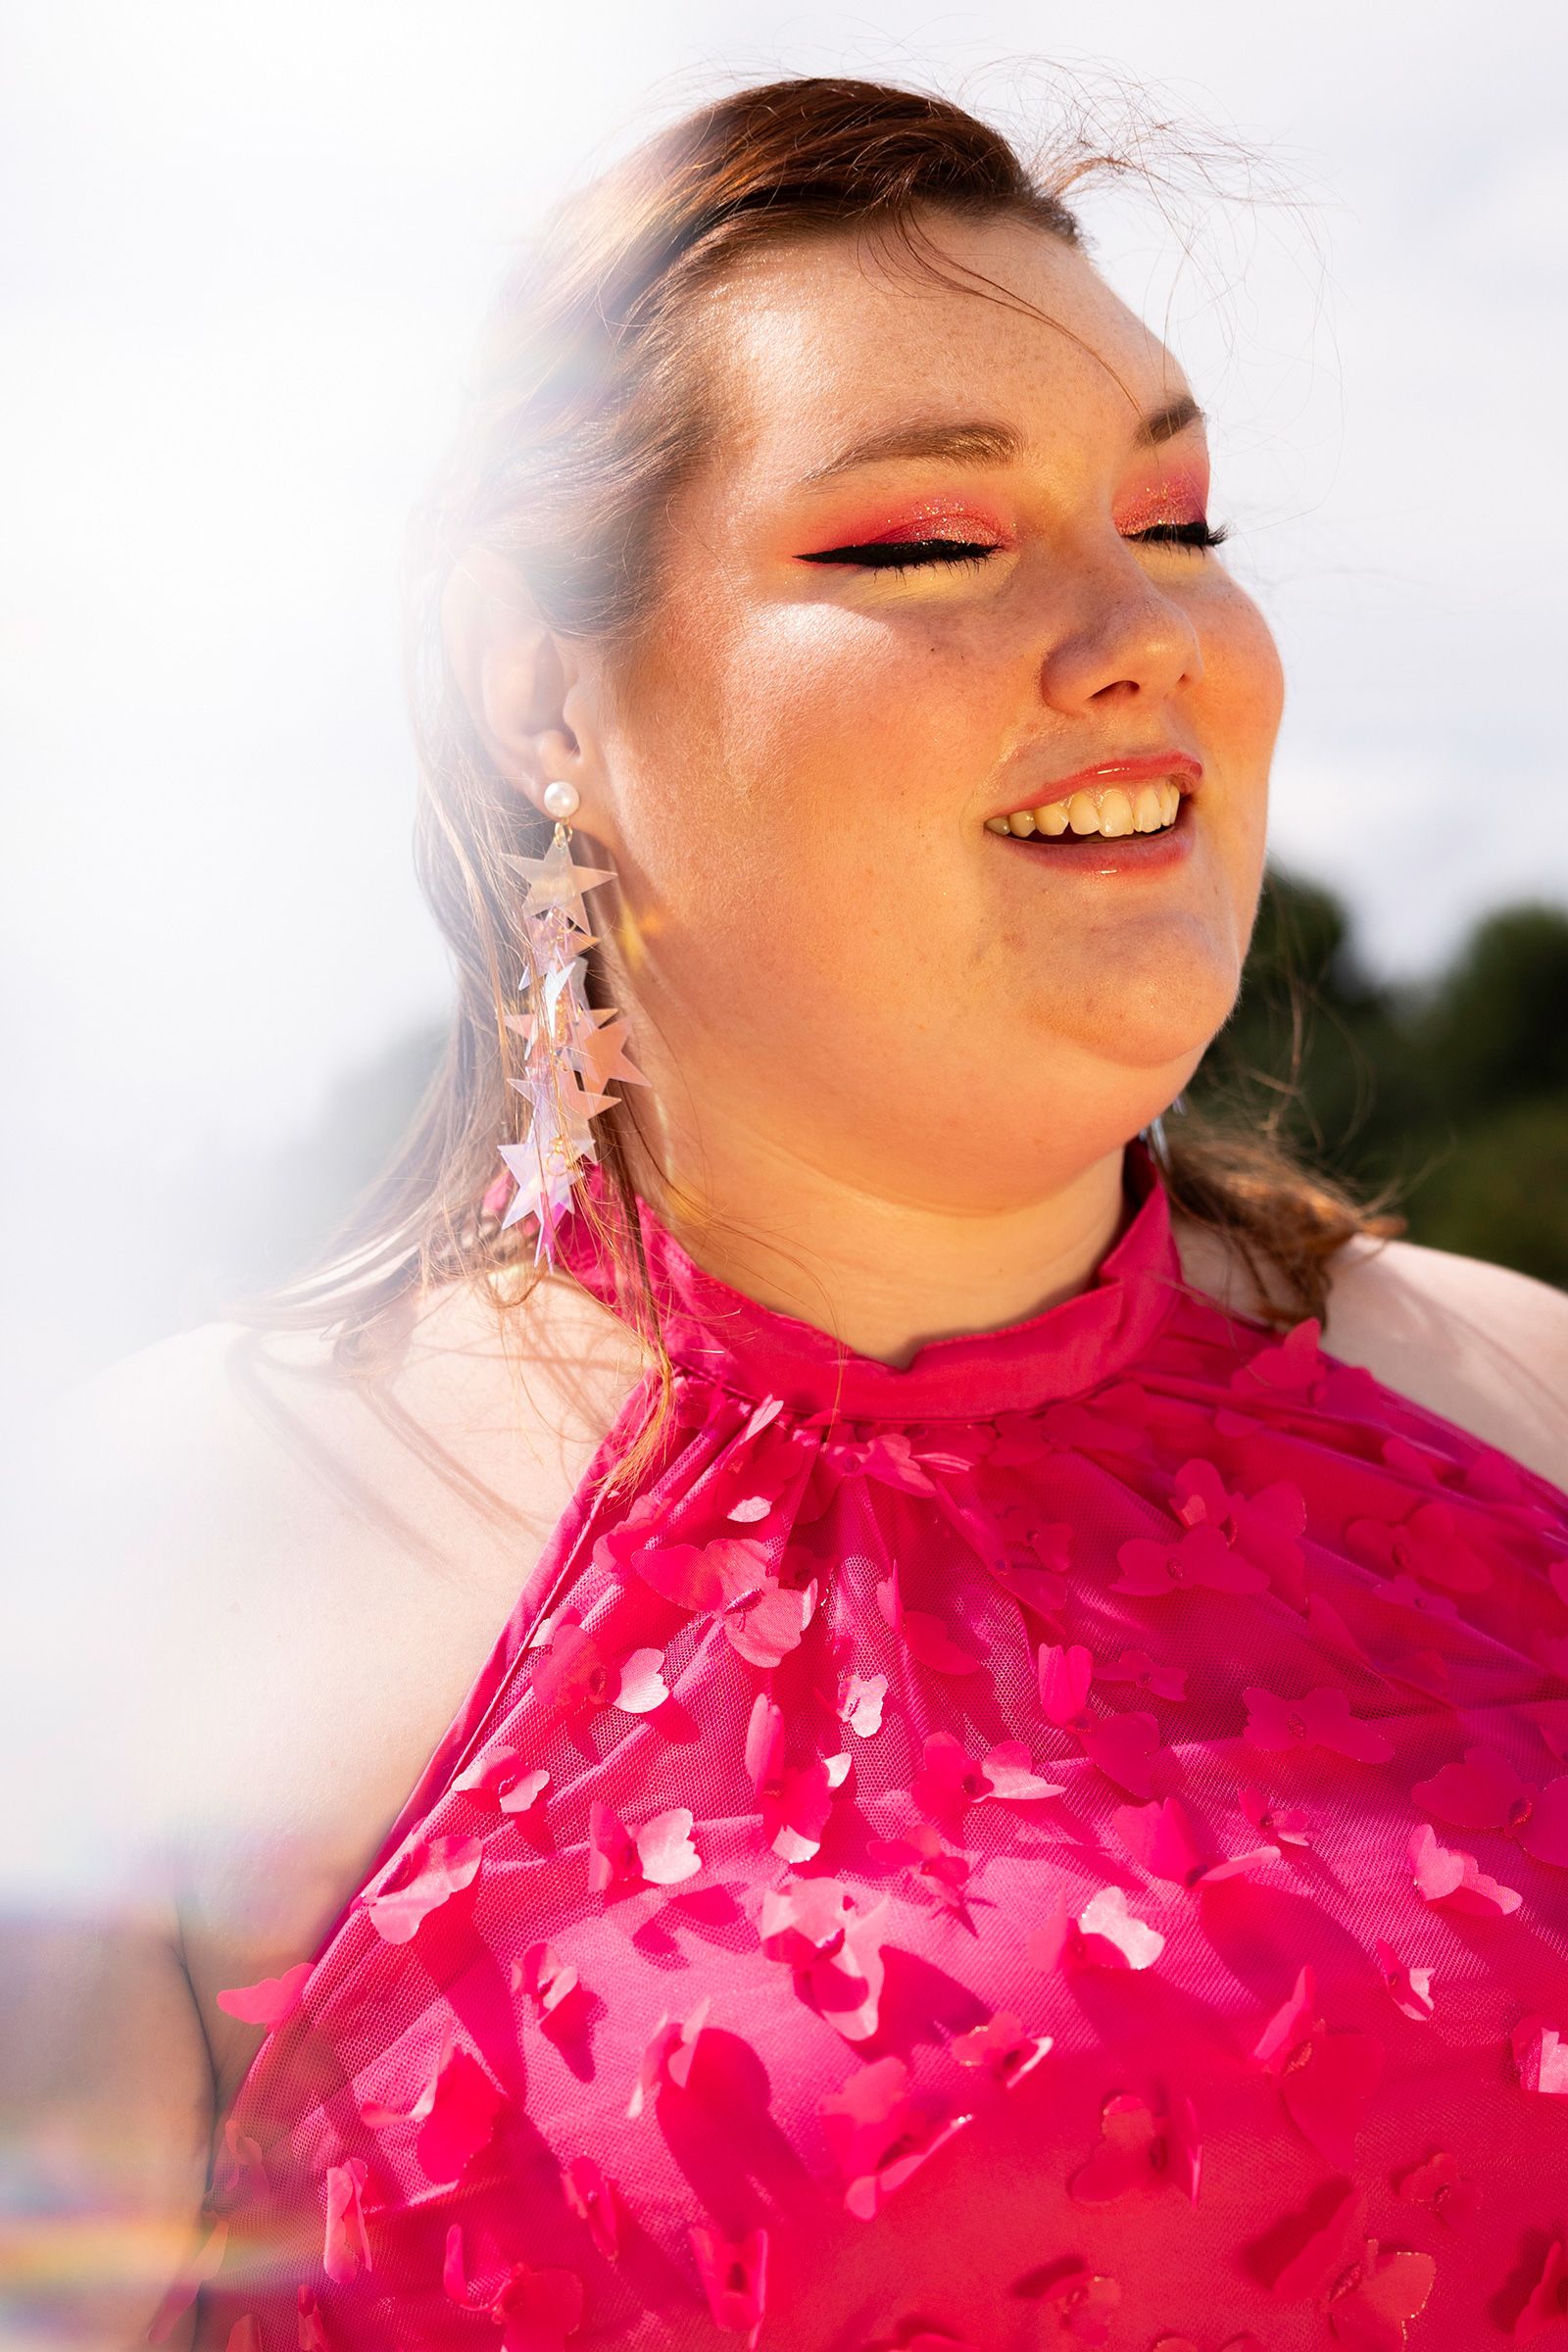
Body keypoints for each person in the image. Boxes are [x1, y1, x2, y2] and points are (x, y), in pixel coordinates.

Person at [6, 73, 1567, 2352]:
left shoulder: (1524, 1420)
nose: (1143, 634)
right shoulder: (147, 1566)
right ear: (539, 691)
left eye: (1180, 518)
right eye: (929, 542)